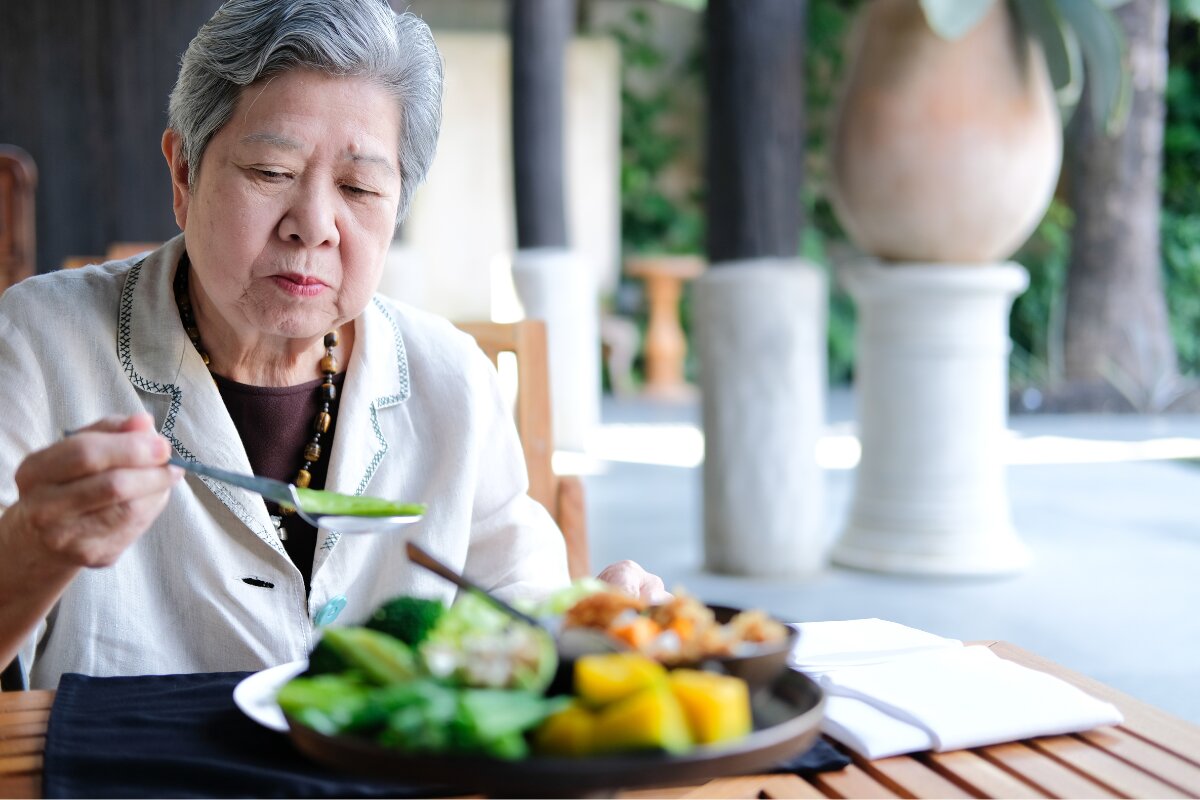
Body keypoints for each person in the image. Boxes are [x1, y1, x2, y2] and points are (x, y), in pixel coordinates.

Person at [0, 0, 665, 691]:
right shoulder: (41, 343)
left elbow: (525, 619)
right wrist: (31, 546)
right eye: (270, 173)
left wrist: (599, 628)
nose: (314, 225)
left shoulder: (452, 381)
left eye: (359, 187)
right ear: (184, 174)